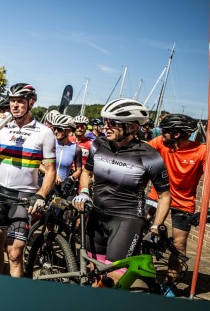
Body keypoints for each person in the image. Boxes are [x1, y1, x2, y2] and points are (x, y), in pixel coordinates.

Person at [71, 98, 171, 287]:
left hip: (127, 220)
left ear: (132, 127)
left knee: (112, 279)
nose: (105, 127)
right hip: (97, 215)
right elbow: (87, 171)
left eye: (113, 123)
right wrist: (84, 191)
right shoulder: (98, 144)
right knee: (94, 274)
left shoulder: (149, 155)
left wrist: (157, 226)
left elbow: (165, 195)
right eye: (105, 121)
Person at [0, 83, 56, 277]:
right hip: (0, 191)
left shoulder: (44, 132)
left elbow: (51, 170)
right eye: (12, 101)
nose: (14, 105)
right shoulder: (3, 128)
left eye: (20, 101)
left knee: (14, 252)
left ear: (31, 103)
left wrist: (41, 194)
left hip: (23, 197)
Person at [146, 113, 210, 295]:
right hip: (157, 196)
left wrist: (209, 209)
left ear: (177, 134)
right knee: (141, 234)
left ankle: (170, 284)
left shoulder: (202, 151)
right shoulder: (160, 143)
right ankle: (145, 275)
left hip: (183, 203)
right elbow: (138, 152)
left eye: (164, 132)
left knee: (179, 246)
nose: (161, 135)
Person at [45, 114, 81, 195]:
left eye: (59, 129)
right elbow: (39, 164)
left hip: (61, 187)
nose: (55, 131)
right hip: (45, 183)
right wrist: (53, 175)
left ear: (68, 131)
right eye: (54, 128)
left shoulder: (76, 149)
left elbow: (78, 170)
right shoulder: (49, 143)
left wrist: (71, 178)